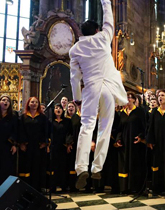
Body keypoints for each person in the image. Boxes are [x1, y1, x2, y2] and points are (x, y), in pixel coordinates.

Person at [69, 0, 128, 189]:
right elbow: (109, 19)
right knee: (105, 127)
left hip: (91, 89)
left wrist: (77, 97)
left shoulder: (75, 49)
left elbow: (74, 77)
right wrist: (105, 2)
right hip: (109, 89)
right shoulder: (103, 38)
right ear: (96, 30)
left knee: (86, 127)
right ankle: (97, 168)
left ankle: (81, 168)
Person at [19, 97, 48, 191]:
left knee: (37, 165)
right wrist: (22, 143)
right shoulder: (23, 117)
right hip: (26, 146)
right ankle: (25, 188)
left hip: (38, 146)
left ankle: (37, 188)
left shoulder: (42, 117)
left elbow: (46, 131)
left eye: (36, 102)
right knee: (26, 165)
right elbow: (20, 130)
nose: (34, 104)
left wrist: (45, 142)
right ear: (28, 104)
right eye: (32, 102)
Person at [0, 95, 18, 185]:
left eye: (7, 100)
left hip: (7, 145)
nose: (5, 102)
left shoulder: (13, 116)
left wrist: (14, 144)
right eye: (3, 100)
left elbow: (16, 131)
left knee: (7, 167)